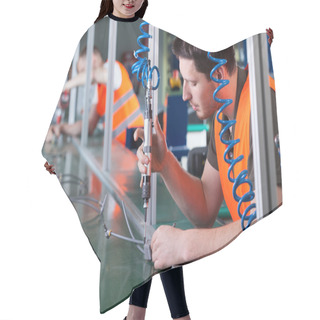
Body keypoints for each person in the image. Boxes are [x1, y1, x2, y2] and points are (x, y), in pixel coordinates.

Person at [45, 1, 191, 320]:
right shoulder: (97, 78)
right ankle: (142, 315)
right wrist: (55, 144)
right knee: (147, 233)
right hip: (127, 161)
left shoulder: (112, 67)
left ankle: (160, 316)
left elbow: (195, 56)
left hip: (142, 149)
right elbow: (82, 124)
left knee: (153, 230)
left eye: (87, 67)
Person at [134, 33, 281, 270]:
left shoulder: (264, 104)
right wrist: (165, 163)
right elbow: (205, 209)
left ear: (219, 75)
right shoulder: (223, 118)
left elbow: (271, 223)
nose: (184, 94)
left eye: (192, 82)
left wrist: (187, 245)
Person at [45, 46, 144, 147]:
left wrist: (65, 87)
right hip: (122, 149)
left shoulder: (113, 68)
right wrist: (61, 128)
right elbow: (88, 126)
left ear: (93, 58)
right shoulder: (99, 88)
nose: (82, 77)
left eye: (83, 70)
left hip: (136, 141)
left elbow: (92, 75)